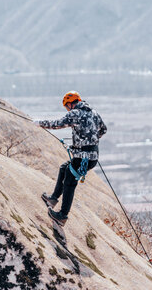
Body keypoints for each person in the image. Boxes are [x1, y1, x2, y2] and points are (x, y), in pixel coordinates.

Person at [34, 91, 107, 226]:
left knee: (69, 182)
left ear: (70, 103)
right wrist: (90, 138)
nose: (67, 109)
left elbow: (58, 124)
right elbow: (103, 130)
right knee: (64, 168)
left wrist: (40, 123)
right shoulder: (94, 113)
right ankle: (53, 199)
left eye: (67, 107)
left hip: (82, 157)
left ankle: (62, 215)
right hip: (92, 156)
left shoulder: (75, 113)